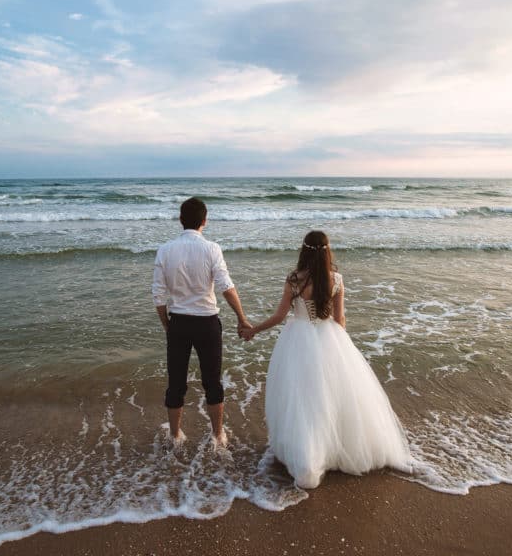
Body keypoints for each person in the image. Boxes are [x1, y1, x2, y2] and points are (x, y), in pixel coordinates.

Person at [241, 230, 413, 488]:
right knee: (331, 396)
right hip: (329, 337)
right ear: (328, 251)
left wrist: (253, 329)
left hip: (297, 339)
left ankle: (308, 455)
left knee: (302, 400)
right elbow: (340, 320)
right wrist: (341, 349)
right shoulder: (337, 280)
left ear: (304, 250)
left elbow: (279, 317)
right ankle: (335, 449)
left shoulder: (294, 280)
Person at [152, 197, 251, 448]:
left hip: (179, 323)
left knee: (176, 383)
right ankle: (218, 436)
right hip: (207, 323)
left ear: (180, 220)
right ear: (204, 221)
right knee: (212, 381)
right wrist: (242, 318)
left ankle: (175, 437)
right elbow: (226, 287)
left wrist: (168, 325)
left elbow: (158, 295)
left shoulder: (165, 249)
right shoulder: (211, 248)